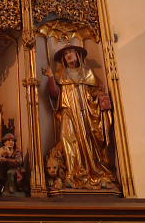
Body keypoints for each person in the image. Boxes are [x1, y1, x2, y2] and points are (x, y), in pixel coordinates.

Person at [44, 44, 117, 190]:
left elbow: (96, 92)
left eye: (71, 52)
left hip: (85, 114)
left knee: (87, 139)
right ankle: (72, 173)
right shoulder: (61, 75)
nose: (69, 55)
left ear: (78, 55)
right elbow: (54, 93)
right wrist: (51, 77)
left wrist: (99, 96)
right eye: (66, 54)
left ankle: (93, 171)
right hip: (68, 112)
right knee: (68, 139)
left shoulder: (88, 73)